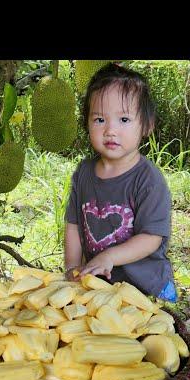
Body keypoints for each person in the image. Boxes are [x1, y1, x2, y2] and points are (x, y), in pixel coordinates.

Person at [64, 63, 177, 302]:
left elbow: (151, 238)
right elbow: (73, 224)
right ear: (87, 123)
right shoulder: (83, 173)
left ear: (146, 125)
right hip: (101, 287)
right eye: (99, 120)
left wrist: (110, 256)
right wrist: (72, 268)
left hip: (145, 289)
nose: (110, 130)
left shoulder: (148, 180)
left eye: (124, 119)